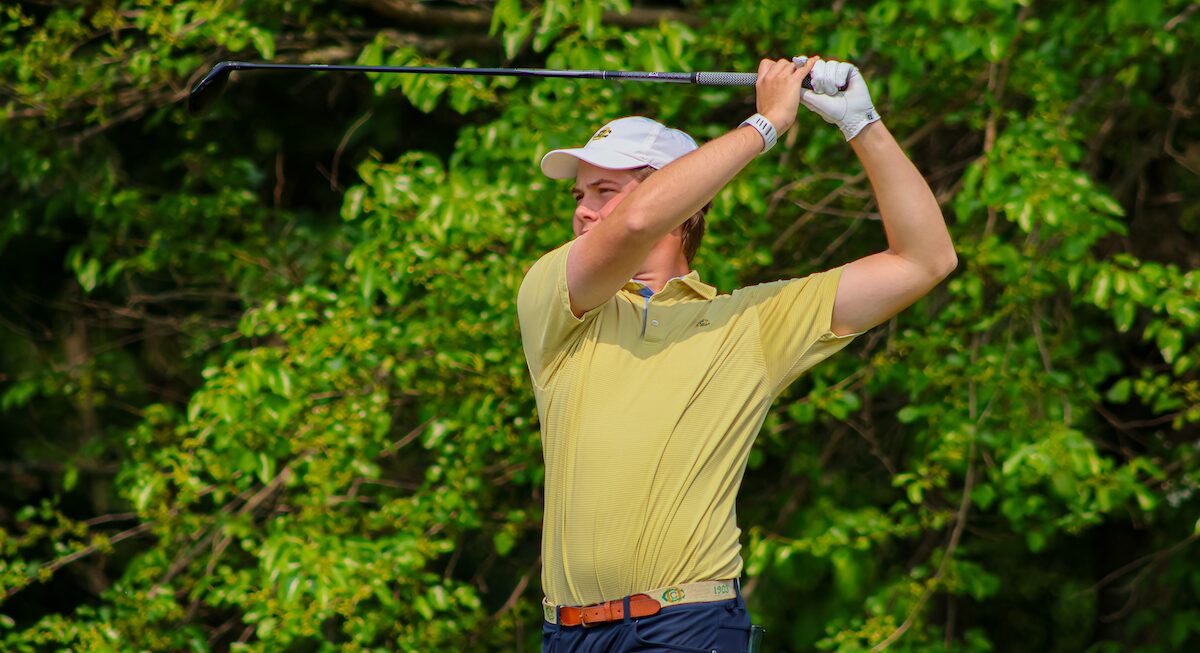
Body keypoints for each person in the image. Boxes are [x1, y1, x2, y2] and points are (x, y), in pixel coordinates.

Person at [518, 56, 957, 653]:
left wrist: (863, 124)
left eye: (605, 190)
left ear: (683, 204)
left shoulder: (747, 321)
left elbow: (924, 260)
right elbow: (634, 224)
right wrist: (765, 124)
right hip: (566, 635)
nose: (583, 209)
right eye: (579, 193)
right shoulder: (555, 298)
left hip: (687, 628)